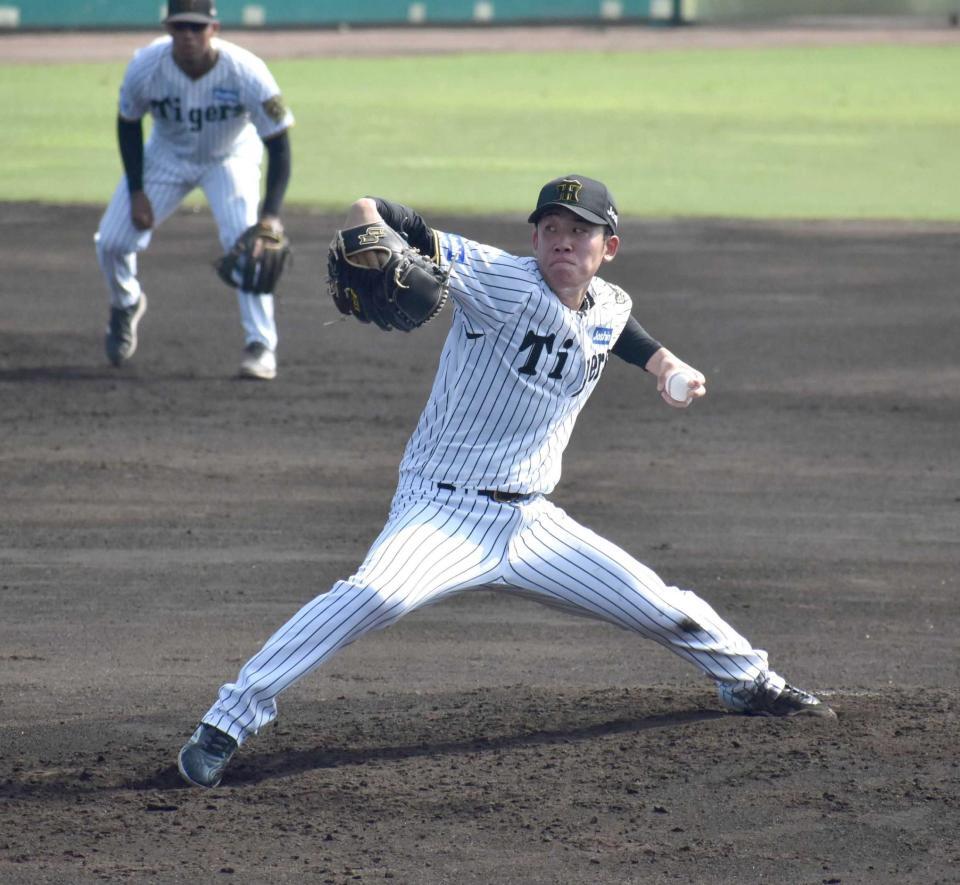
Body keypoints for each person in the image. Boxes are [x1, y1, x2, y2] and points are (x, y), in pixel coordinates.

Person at [178, 173, 835, 789]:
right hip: (441, 512)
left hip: (533, 524)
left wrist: (666, 365)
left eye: (578, 232)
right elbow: (380, 213)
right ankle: (228, 719)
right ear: (534, 239)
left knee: (663, 605)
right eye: (551, 228)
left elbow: (617, 329)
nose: (563, 241)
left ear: (609, 247)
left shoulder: (609, 301)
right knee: (375, 594)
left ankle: (749, 679)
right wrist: (364, 220)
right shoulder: (497, 279)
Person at [94, 0, 293, 380]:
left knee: (249, 243)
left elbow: (279, 143)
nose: (187, 35)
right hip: (165, 156)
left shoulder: (247, 71)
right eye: (180, 26)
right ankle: (126, 302)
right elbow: (128, 123)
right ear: (168, 28)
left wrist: (270, 216)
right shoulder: (146, 66)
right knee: (112, 242)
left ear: (213, 29)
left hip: (229, 157)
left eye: (196, 27)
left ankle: (261, 344)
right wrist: (137, 190)